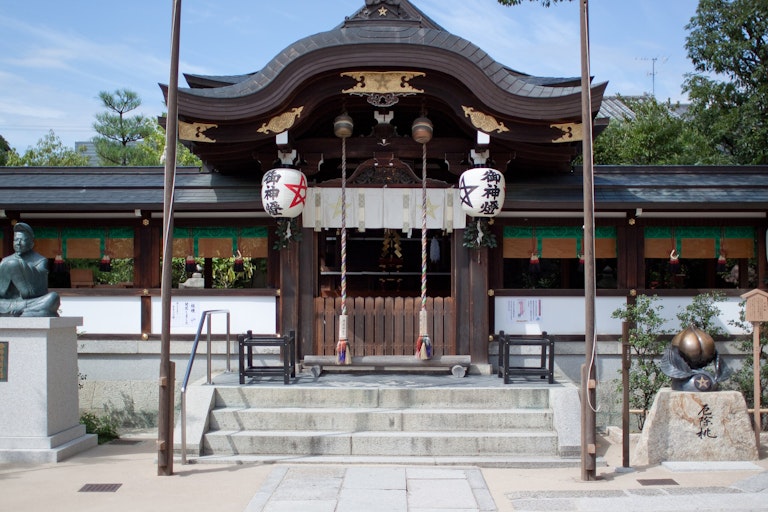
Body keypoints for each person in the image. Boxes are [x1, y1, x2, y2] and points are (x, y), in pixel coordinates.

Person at [0, 222, 60, 317]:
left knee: (53, 298)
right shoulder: (6, 261)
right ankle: (29, 312)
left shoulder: (40, 260)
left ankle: (24, 311)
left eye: (22, 240)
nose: (18, 243)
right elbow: (2, 292)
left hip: (31, 301)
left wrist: (20, 266)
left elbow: (39, 290)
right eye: (16, 240)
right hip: (9, 303)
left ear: (32, 243)